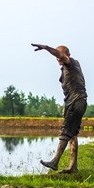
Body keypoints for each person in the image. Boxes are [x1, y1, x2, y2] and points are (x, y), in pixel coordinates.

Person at [31, 43, 87, 173]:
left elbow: (61, 55)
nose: (58, 59)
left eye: (60, 56)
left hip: (77, 102)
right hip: (76, 102)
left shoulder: (71, 63)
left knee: (65, 132)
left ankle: (55, 161)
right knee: (72, 134)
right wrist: (66, 106)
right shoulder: (67, 67)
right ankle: (73, 167)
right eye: (57, 57)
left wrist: (46, 48)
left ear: (67, 55)